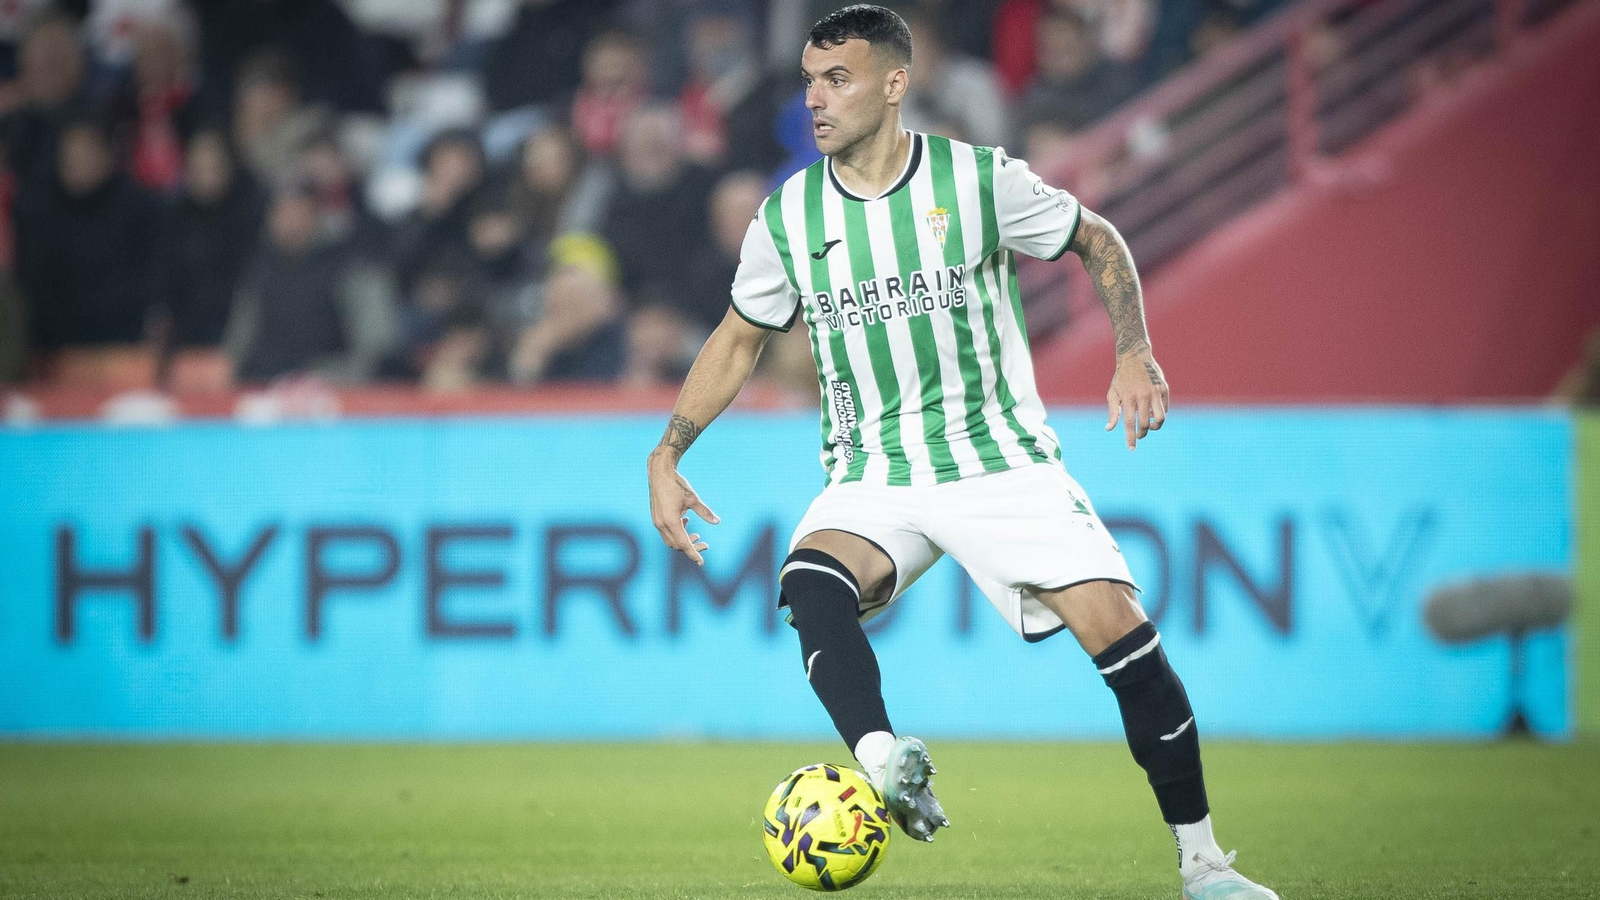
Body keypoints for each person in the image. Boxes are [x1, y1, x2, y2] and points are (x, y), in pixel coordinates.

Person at [643, 8, 1278, 900]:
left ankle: (1206, 866)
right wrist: (671, 449)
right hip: (874, 470)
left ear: (895, 83)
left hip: (999, 460)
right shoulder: (788, 216)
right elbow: (740, 336)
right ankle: (882, 757)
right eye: (810, 80)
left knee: (1123, 639)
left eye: (839, 80)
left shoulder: (976, 181)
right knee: (809, 582)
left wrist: (1134, 349)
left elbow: (1096, 238)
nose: (815, 100)